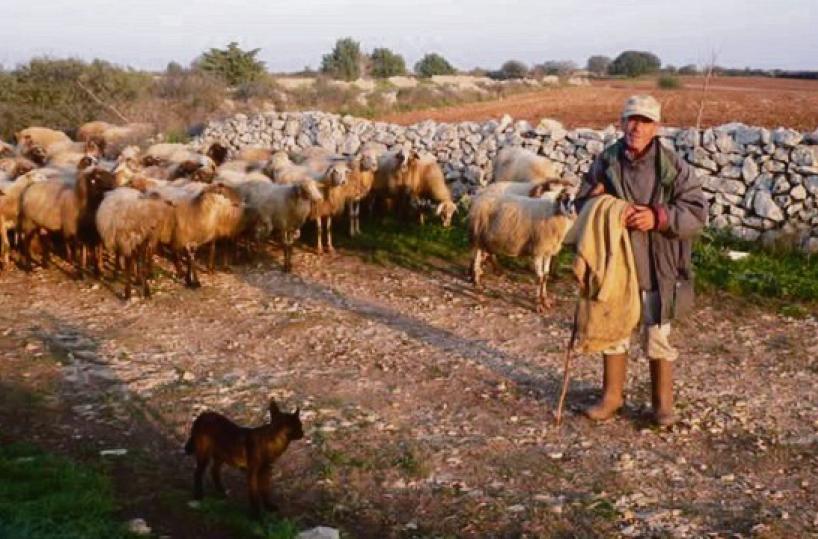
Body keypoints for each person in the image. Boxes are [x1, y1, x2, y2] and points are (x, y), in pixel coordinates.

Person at [576, 95, 707, 426]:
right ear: (621, 122)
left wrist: (658, 217)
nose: (637, 126)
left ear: (656, 127)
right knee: (613, 328)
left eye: (645, 121)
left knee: (657, 333)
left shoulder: (672, 167)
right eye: (631, 119)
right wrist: (597, 202)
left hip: (657, 264)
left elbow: (696, 213)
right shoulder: (606, 161)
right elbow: (581, 203)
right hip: (616, 263)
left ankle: (662, 404)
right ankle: (611, 397)